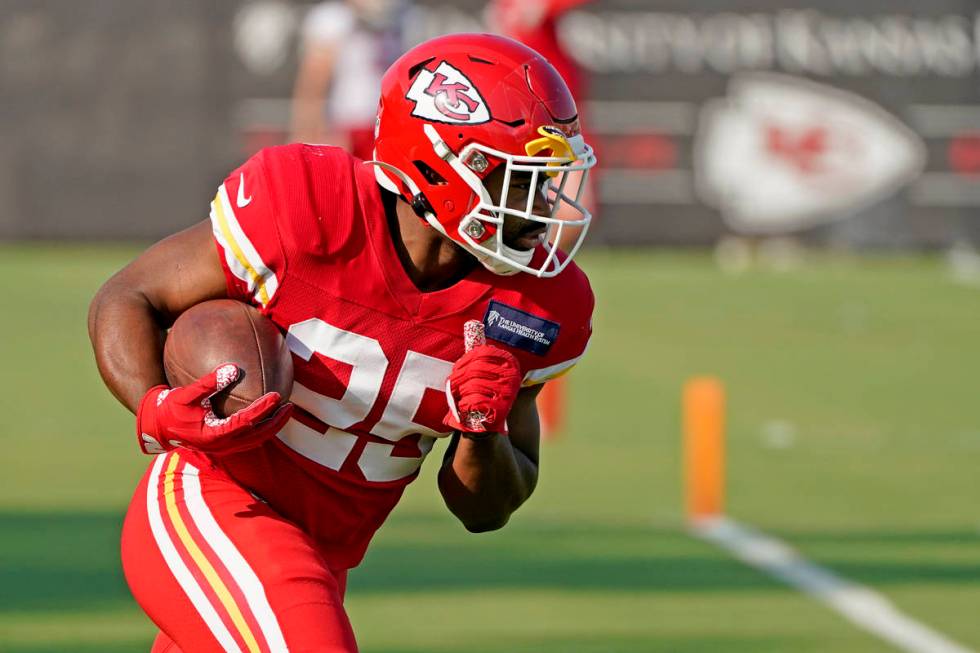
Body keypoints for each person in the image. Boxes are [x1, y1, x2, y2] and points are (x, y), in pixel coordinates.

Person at [89, 33, 596, 652]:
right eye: (524, 181)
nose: (544, 205)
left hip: (323, 560)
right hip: (212, 500)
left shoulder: (537, 305)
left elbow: (484, 510)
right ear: (445, 164)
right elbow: (128, 297)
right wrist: (157, 409)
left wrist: (480, 433)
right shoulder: (309, 205)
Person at [290, 0, 407, 159]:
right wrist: (307, 129)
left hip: (393, 124)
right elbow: (315, 80)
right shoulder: (333, 18)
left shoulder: (404, 13)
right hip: (349, 123)